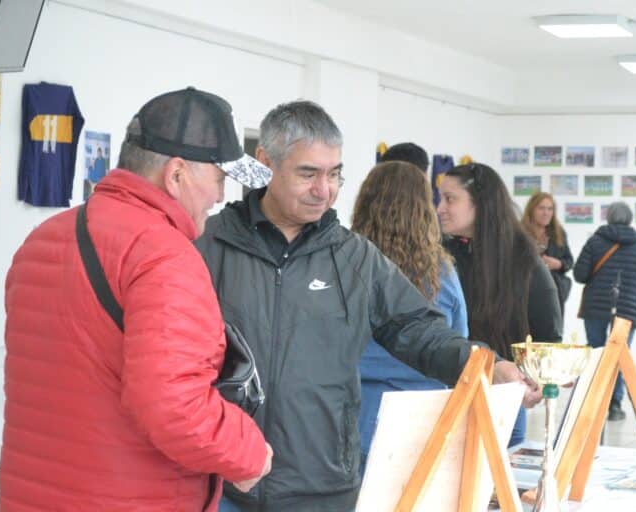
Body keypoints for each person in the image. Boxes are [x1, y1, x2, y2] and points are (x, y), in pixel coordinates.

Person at [194, 100, 539, 512]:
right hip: (222, 486)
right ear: (266, 162)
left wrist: (487, 364)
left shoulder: (355, 258)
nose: (324, 190)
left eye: (334, 174)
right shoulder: (207, 248)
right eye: (308, 174)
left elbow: (419, 331)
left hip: (323, 490)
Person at [0, 87, 273, 511]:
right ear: (177, 174)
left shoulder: (43, 239)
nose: (220, 196)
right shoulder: (164, 255)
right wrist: (248, 452)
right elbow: (173, 408)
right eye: (219, 178)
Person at [351, 161, 469, 476]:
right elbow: (456, 343)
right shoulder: (441, 272)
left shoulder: (345, 265)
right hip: (425, 419)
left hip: (355, 418)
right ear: (424, 209)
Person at [437, 163, 562, 447]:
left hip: (502, 398)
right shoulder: (439, 255)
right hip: (450, 393)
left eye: (450, 199)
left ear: (479, 204)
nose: (439, 208)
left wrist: (535, 381)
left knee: (497, 487)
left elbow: (548, 334)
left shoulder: (521, 259)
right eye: (440, 198)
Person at [573, 202, 636, 421]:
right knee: (619, 357)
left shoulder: (595, 241)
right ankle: (615, 405)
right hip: (627, 309)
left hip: (595, 308)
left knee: (597, 354)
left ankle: (594, 401)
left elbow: (580, 274)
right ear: (629, 219)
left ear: (608, 217)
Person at [522, 192, 574, 318]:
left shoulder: (558, 232)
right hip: (526, 291)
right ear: (532, 209)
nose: (546, 213)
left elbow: (569, 261)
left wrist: (558, 264)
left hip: (553, 292)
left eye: (550, 209)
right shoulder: (519, 231)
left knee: (552, 332)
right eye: (541, 208)